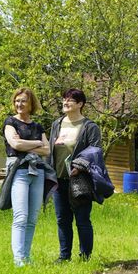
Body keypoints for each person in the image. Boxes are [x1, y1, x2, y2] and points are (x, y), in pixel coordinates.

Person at [48, 88, 104, 262]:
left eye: (70, 100)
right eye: (64, 98)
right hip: (58, 179)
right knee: (62, 219)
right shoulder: (57, 124)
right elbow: (50, 149)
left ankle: (85, 256)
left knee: (82, 219)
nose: (65, 102)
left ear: (80, 104)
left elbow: (95, 151)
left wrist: (79, 167)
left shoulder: (89, 127)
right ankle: (64, 256)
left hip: (79, 179)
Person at [2, 87, 51, 267]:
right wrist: (37, 143)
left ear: (31, 104)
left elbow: (47, 150)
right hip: (20, 171)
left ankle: (26, 257)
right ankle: (18, 260)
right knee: (21, 216)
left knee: (32, 219)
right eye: (17, 101)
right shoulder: (10, 122)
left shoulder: (37, 126)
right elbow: (15, 144)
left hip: (37, 171)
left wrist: (26, 145)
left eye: (23, 101)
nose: (19, 104)